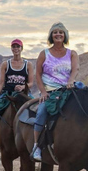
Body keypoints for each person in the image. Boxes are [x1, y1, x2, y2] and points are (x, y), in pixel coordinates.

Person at [30, 22, 80, 161]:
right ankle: (37, 147)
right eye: (55, 32)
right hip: (50, 92)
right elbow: (38, 74)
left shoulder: (72, 53)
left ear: (65, 35)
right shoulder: (44, 54)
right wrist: (43, 92)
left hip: (68, 89)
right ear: (51, 36)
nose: (58, 34)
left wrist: (71, 80)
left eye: (61, 32)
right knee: (41, 112)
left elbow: (75, 69)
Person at [0, 39, 34, 153]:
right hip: (8, 94)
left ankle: (36, 140)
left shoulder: (28, 64)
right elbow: (1, 83)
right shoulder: (6, 64)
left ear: (22, 48)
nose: (16, 49)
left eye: (18, 46)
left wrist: (22, 86)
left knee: (35, 111)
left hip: (23, 94)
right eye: (14, 46)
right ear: (11, 48)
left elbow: (31, 82)